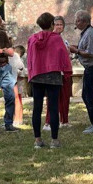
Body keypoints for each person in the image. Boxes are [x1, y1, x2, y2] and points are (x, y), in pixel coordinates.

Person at [26, 12, 73, 149]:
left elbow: (29, 58)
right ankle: (54, 139)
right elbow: (64, 55)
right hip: (53, 75)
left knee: (37, 107)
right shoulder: (56, 39)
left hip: (37, 75)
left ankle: (37, 139)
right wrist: (67, 71)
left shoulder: (32, 39)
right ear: (52, 24)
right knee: (53, 107)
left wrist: (31, 73)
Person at [70, 11, 93, 132]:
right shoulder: (86, 33)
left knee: (90, 96)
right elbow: (84, 48)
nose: (75, 23)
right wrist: (76, 49)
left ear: (84, 21)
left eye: (77, 20)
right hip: (90, 68)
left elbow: (90, 53)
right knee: (86, 95)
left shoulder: (90, 33)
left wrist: (76, 51)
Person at [55, 16, 73, 127]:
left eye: (61, 24)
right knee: (54, 99)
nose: (59, 27)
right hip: (55, 72)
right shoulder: (51, 39)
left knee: (65, 97)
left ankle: (64, 120)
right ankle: (50, 122)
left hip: (64, 72)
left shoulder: (64, 40)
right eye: (56, 24)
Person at [9, 42, 26, 125]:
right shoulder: (19, 58)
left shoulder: (15, 56)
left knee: (16, 100)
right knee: (18, 99)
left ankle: (17, 119)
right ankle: (19, 118)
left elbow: (20, 69)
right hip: (18, 81)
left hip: (14, 80)